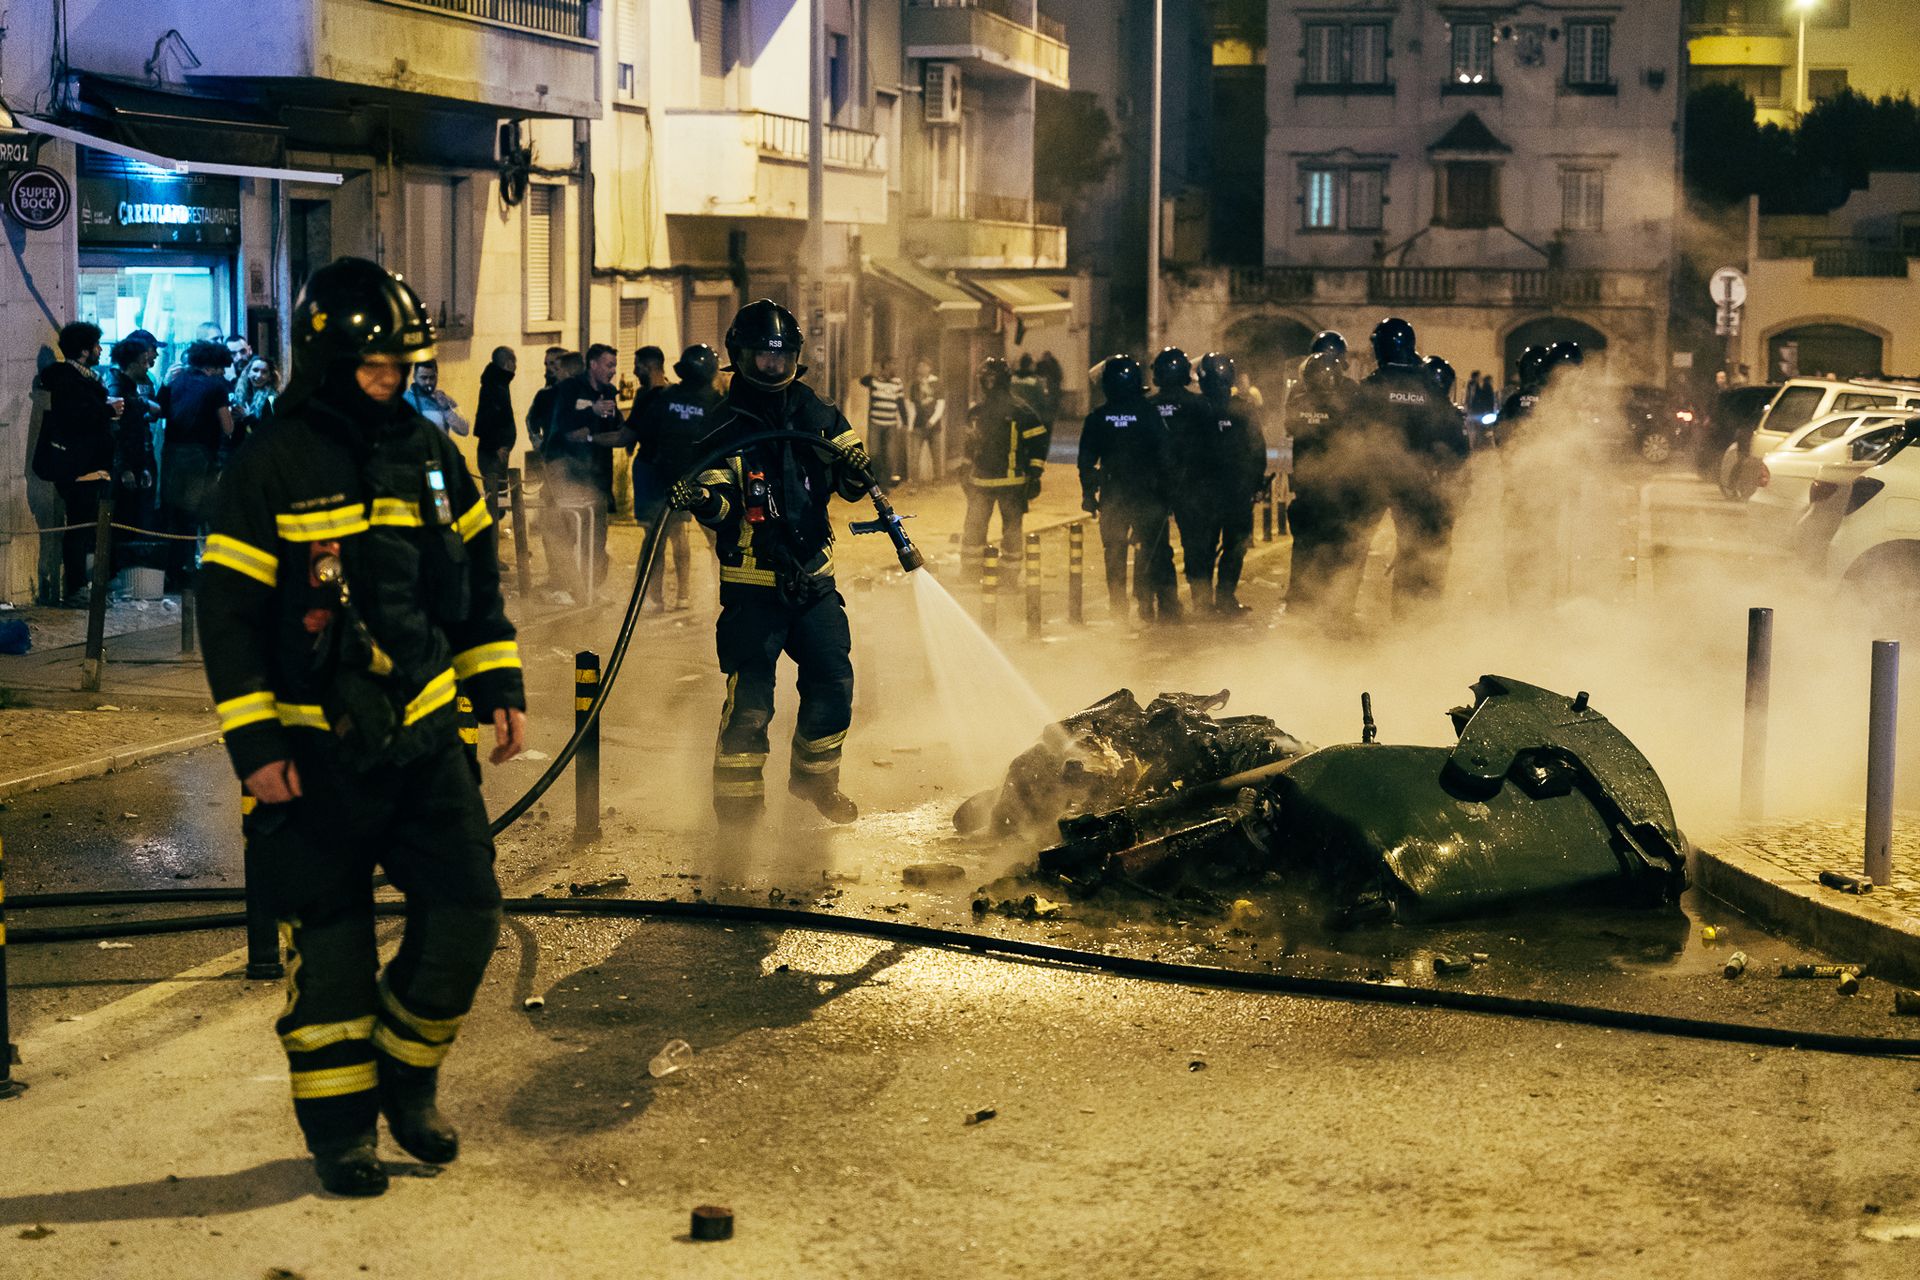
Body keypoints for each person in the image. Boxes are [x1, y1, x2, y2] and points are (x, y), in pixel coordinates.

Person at [198, 256, 526, 1198]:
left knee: (467, 916)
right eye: (377, 366)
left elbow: (475, 584)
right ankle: (341, 1136)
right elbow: (227, 617)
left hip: (426, 744)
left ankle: (407, 1080)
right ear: (327, 361)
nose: (393, 380)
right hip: (312, 758)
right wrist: (256, 748)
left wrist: (497, 681)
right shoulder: (270, 464)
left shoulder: (430, 453)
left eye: (404, 366)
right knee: (332, 959)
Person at [671, 299, 869, 828]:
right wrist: (700, 499)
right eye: (763, 356)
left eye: (783, 356)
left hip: (814, 580)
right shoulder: (722, 426)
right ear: (741, 357)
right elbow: (721, 506)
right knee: (751, 706)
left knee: (833, 681)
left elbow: (852, 484)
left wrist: (855, 467)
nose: (774, 365)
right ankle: (738, 816)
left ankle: (816, 780)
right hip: (753, 589)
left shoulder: (818, 413)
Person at [1362, 319, 1469, 616]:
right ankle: (1411, 617)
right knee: (1415, 549)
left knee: (1350, 547)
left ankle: (1331, 615)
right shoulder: (1428, 389)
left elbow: (1350, 430)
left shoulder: (1372, 385)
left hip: (1372, 478)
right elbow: (1449, 441)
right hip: (1418, 480)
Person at [1077, 354, 1176, 625]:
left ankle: (1118, 608)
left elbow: (1086, 462)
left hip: (1114, 495)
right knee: (1151, 550)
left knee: (1114, 552)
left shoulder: (1097, 418)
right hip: (1148, 494)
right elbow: (1166, 455)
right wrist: (1168, 491)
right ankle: (1149, 604)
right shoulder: (1149, 413)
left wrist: (1089, 494)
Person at [31, 322, 123, 604]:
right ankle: (77, 587)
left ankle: (85, 584)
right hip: (78, 467)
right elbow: (75, 417)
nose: (100, 350)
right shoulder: (69, 380)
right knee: (79, 528)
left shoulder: (82, 378)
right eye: (96, 345)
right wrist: (107, 410)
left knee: (87, 527)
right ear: (84, 350)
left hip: (91, 465)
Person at [1284, 347, 1375, 625]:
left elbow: (1290, 427)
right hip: (1338, 491)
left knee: (1304, 547)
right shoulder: (1346, 406)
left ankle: (1301, 602)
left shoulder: (1297, 403)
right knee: (1337, 548)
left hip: (1307, 490)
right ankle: (1335, 606)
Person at [1173, 353, 1267, 615]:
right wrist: (1257, 484)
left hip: (1202, 492)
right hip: (1236, 491)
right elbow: (1257, 449)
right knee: (1234, 546)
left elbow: (1179, 449)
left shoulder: (1193, 408)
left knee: (1203, 547)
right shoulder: (1243, 408)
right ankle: (1225, 598)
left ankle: (1203, 600)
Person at [632, 344, 724, 610]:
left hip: (668, 478)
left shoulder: (667, 397)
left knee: (661, 538)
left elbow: (647, 433)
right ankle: (713, 597)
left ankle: (654, 599)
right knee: (717, 541)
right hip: (705, 479)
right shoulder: (718, 403)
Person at [959, 356, 1049, 583]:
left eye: (991, 378)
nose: (989, 383)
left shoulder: (1016, 411)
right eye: (986, 378)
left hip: (1004, 483)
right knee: (992, 528)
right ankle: (984, 573)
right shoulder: (1011, 411)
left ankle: (993, 574)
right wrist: (965, 471)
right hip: (993, 482)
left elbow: (1037, 444)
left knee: (996, 529)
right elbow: (970, 445)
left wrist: (1035, 474)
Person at [542, 345, 621, 596]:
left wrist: (610, 421)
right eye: (609, 365)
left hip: (597, 475)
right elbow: (562, 425)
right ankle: (564, 586)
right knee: (565, 534)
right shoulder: (569, 388)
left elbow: (615, 428)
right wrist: (590, 412)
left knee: (596, 538)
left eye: (614, 365)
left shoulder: (609, 392)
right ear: (593, 365)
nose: (613, 370)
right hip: (568, 473)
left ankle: (590, 590)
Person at [158, 339, 236, 583]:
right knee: (192, 513)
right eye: (221, 368)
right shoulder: (216, 386)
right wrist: (235, 417)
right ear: (212, 366)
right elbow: (227, 426)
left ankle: (171, 570)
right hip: (199, 455)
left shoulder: (177, 381)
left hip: (171, 451)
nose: (222, 373)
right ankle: (188, 569)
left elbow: (160, 411)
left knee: (173, 513)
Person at [1151, 346, 1210, 617]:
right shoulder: (1199, 404)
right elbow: (1212, 446)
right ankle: (1201, 600)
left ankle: (1167, 603)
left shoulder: (1148, 406)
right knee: (1196, 544)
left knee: (1157, 546)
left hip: (1156, 484)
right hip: (1192, 483)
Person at [109, 337, 162, 574]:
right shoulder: (118, 388)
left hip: (136, 463)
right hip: (127, 466)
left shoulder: (129, 387)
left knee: (133, 519)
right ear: (132, 363)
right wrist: (125, 468)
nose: (147, 367)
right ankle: (121, 574)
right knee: (124, 520)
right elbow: (117, 432)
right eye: (144, 362)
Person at [473, 347, 518, 520]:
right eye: (514, 362)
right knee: (496, 503)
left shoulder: (497, 383)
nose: (515, 367)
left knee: (498, 501)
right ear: (508, 363)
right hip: (493, 454)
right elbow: (488, 420)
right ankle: (491, 534)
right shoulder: (494, 386)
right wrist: (497, 447)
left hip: (495, 452)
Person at [859, 358, 908, 485]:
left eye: (895, 365)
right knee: (874, 453)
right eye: (891, 365)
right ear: (885, 366)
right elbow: (862, 381)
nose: (894, 368)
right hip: (875, 422)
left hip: (891, 424)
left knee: (889, 455)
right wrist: (873, 374)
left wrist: (905, 422)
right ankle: (876, 480)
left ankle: (885, 483)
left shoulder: (897, 383)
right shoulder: (875, 380)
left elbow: (900, 403)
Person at [229, 356, 280, 463]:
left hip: (260, 454)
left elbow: (270, 432)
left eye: (264, 372)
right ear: (248, 373)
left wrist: (248, 417)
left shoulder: (272, 399)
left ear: (270, 377)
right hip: (238, 453)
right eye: (255, 370)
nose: (259, 375)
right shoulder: (238, 395)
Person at [402, 360, 470, 438]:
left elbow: (464, 430)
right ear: (414, 376)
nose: (428, 382)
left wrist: (447, 409)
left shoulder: (445, 400)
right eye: (423, 378)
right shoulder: (404, 399)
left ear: (437, 376)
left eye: (432, 377)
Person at [905, 357, 946, 482]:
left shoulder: (937, 383)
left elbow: (940, 404)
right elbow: (912, 406)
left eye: (924, 366)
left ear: (929, 368)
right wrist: (910, 425)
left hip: (934, 426)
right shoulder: (914, 385)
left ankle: (938, 480)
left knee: (936, 455)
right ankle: (914, 480)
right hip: (918, 424)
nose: (921, 368)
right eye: (919, 366)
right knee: (915, 455)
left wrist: (932, 421)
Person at [524, 346, 566, 456]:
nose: (548, 368)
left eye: (552, 363)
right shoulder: (544, 394)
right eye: (546, 364)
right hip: (552, 455)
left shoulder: (578, 389)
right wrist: (537, 441)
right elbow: (531, 419)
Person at [1034, 351, 1065, 421]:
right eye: (1045, 357)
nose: (1046, 358)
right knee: (1047, 402)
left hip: (1053, 386)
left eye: (1047, 357)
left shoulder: (1054, 364)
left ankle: (1052, 416)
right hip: (1045, 386)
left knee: (1053, 402)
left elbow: (1058, 375)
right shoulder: (1041, 365)